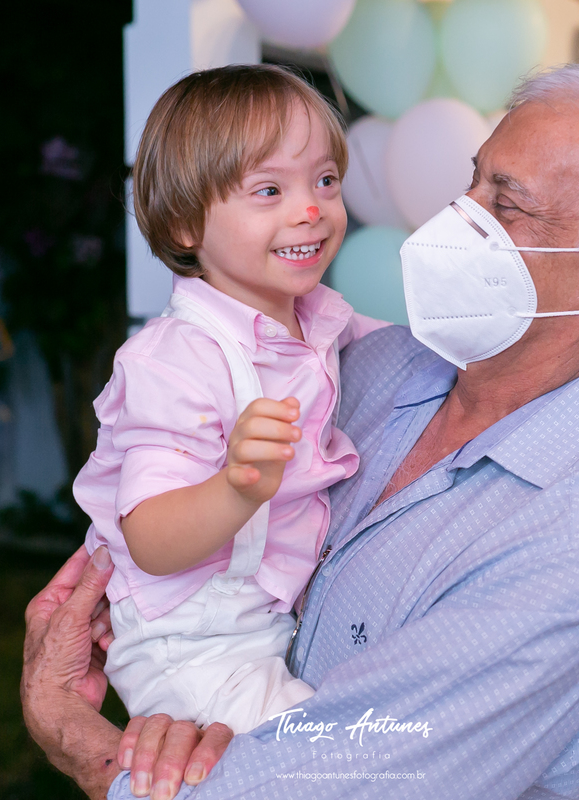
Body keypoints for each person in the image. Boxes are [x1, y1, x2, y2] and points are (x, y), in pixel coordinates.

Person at [22, 64, 579, 800]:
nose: (459, 218)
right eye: (473, 182)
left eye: (507, 203)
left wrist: (77, 739)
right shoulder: (371, 365)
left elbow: (327, 786)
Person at [73, 64, 388, 738]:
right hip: (192, 643)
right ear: (187, 224)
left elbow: (411, 363)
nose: (311, 209)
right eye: (269, 190)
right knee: (329, 765)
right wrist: (238, 488)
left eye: (325, 180)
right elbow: (151, 538)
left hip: (264, 621)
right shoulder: (176, 359)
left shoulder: (321, 319)